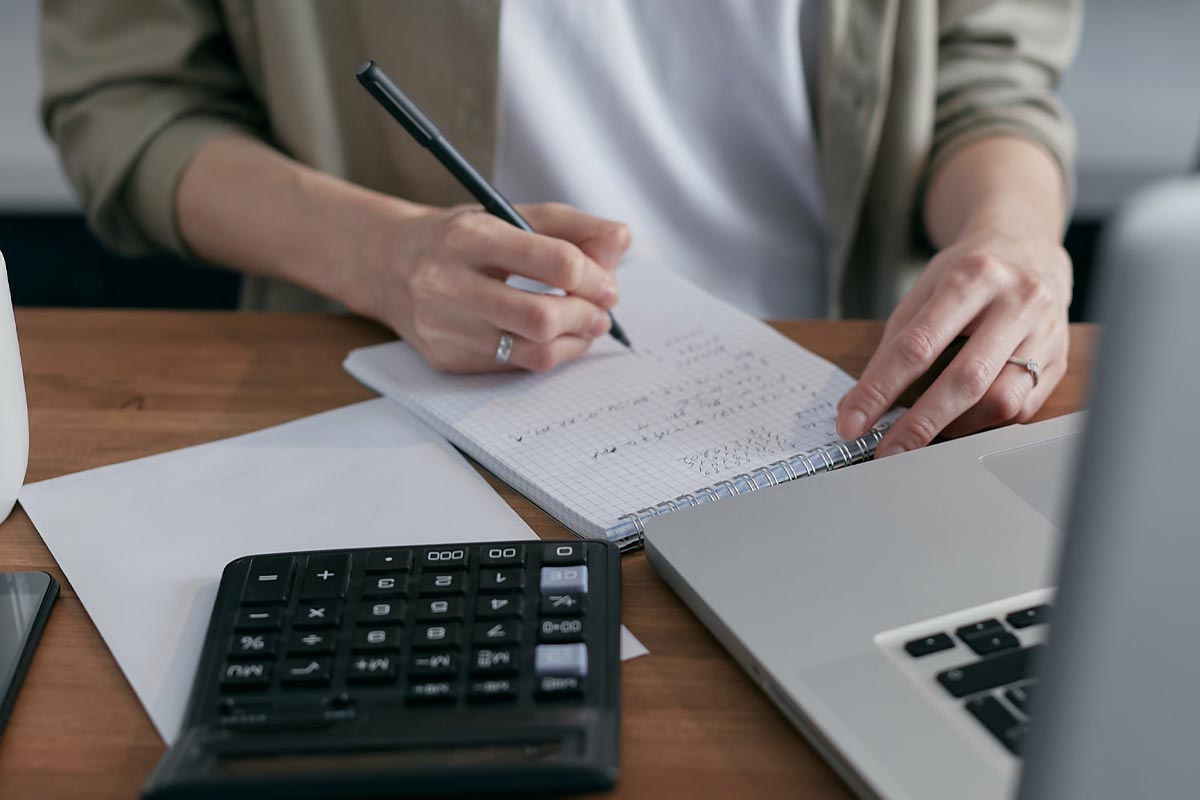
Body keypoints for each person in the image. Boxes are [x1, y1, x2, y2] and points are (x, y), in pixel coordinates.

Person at [39, 1, 1079, 457]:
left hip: (843, 382)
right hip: (390, 395)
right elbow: (127, 101)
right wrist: (382, 254)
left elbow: (986, 80)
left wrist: (1013, 234)